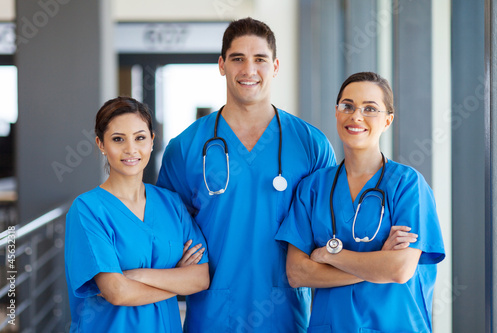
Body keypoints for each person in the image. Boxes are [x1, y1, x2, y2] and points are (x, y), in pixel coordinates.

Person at [157, 18, 335, 332]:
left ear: (276, 66)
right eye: (238, 58)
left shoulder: (310, 145)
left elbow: (330, 227)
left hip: (286, 314)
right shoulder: (185, 147)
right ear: (222, 64)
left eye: (260, 60)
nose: (248, 70)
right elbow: (165, 231)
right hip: (212, 314)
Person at [275, 72, 446, 333]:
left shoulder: (408, 185)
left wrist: (330, 254)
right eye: (348, 106)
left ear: (388, 120)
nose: (356, 116)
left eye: (370, 109)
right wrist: (378, 265)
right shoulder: (313, 188)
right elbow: (298, 273)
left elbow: (400, 269)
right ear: (336, 113)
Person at [65, 97, 209, 332]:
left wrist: (137, 275)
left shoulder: (171, 203)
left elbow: (200, 278)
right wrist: (177, 280)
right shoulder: (87, 210)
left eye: (140, 137)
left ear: (152, 141)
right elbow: (117, 292)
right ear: (101, 144)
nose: (130, 149)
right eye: (118, 139)